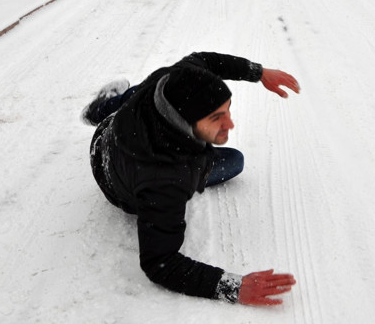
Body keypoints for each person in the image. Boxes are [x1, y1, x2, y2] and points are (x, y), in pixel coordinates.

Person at [81, 52, 300, 306]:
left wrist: (259, 72)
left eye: (227, 110)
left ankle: (108, 106)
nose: (230, 124)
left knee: (149, 87)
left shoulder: (173, 80)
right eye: (216, 118)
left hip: (130, 119)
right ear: (184, 122)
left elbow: (204, 61)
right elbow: (160, 264)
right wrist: (234, 287)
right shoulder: (164, 181)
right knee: (234, 161)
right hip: (110, 164)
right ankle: (105, 106)